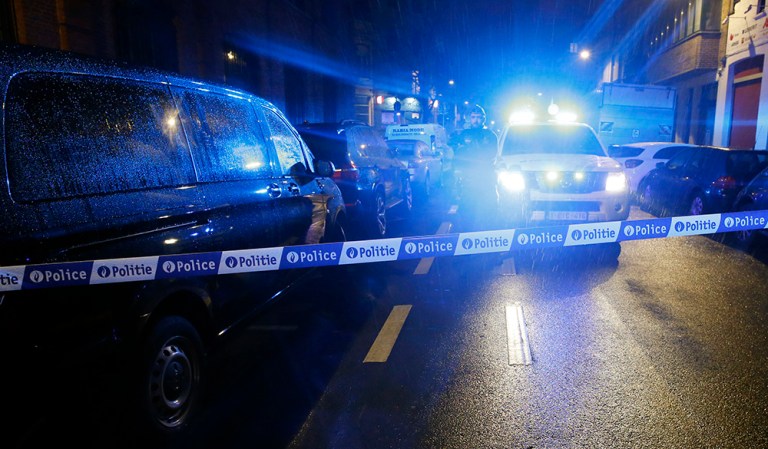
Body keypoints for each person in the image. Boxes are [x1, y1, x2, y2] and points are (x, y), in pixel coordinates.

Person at [449, 104, 499, 230]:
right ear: (469, 119)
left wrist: (473, 150)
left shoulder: (490, 135)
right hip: (468, 180)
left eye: (478, 117)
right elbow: (456, 154)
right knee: (467, 213)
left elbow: (491, 154)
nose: (476, 120)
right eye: (473, 117)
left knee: (490, 212)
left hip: (486, 179)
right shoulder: (463, 135)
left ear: (483, 119)